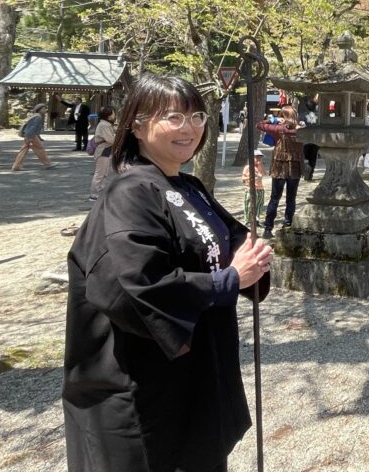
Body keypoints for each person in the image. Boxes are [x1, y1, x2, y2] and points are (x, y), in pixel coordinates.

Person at [62, 74, 273, 472]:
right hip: (143, 378)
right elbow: (135, 284)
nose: (189, 128)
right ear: (137, 126)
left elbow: (231, 242)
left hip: (195, 368)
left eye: (196, 116)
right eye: (173, 117)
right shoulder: (128, 193)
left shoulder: (189, 186)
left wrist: (253, 250)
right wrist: (228, 280)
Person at [257, 105, 303, 240]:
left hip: (279, 166)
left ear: (283, 116)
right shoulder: (301, 130)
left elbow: (258, 125)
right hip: (295, 167)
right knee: (291, 198)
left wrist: (271, 120)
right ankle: (288, 224)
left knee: (274, 198)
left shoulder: (278, 129)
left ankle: (268, 228)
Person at [11, 104, 55, 171]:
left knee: (25, 149)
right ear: (39, 110)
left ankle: (16, 165)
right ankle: (47, 163)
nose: (45, 110)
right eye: (44, 109)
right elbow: (32, 128)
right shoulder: (37, 117)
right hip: (31, 136)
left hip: (31, 135)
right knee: (39, 149)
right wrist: (30, 137)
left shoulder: (36, 116)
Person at [88, 106, 117, 201]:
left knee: (105, 172)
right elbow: (110, 139)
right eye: (112, 113)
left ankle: (101, 191)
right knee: (100, 173)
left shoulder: (106, 124)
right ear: (107, 115)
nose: (114, 115)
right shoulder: (104, 125)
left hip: (107, 150)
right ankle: (94, 194)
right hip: (103, 150)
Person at [243, 148, 266, 227]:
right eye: (257, 157)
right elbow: (243, 178)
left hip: (260, 188)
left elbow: (264, 173)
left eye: (260, 157)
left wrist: (260, 165)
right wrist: (251, 177)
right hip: (250, 188)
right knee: (249, 205)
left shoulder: (260, 166)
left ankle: (256, 219)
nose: (258, 159)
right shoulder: (247, 167)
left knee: (259, 204)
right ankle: (247, 220)